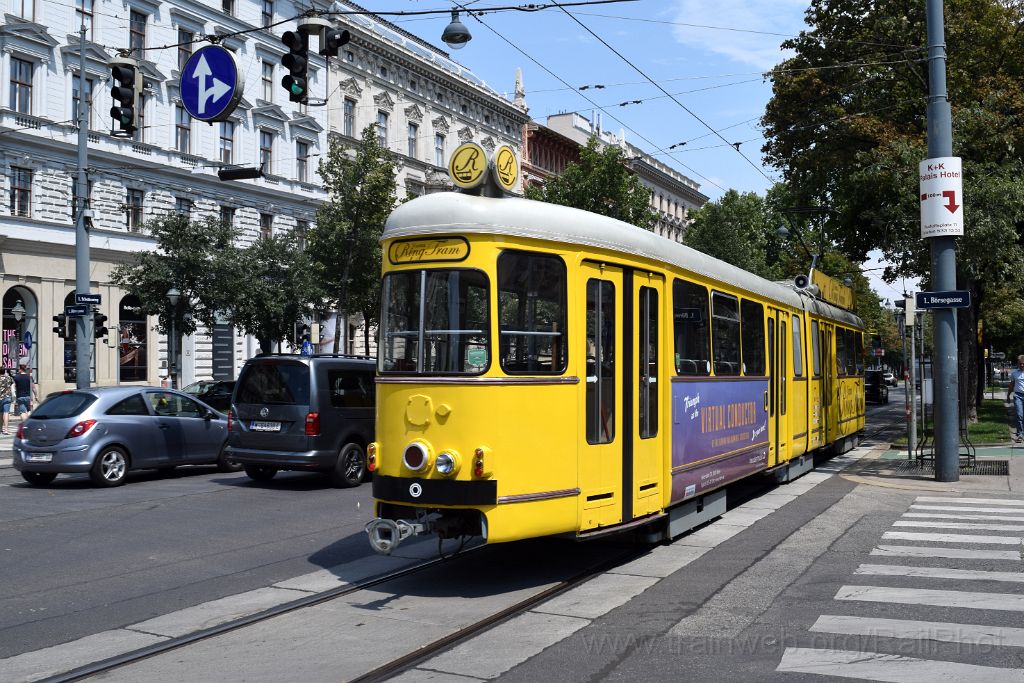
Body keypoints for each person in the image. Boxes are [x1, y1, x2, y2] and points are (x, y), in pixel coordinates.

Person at [1008, 355, 1024, 443]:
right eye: (1020, 364)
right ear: (1018, 364)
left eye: (1023, 364)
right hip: (1018, 396)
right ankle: (1020, 434)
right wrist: (1008, 395)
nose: (1022, 365)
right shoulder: (1014, 373)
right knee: (1019, 415)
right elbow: (1011, 385)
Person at [0, 367, 14, 435]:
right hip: (7, 397)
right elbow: (11, 384)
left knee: (0, 413)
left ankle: (0, 429)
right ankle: (6, 429)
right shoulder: (9, 378)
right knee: (6, 412)